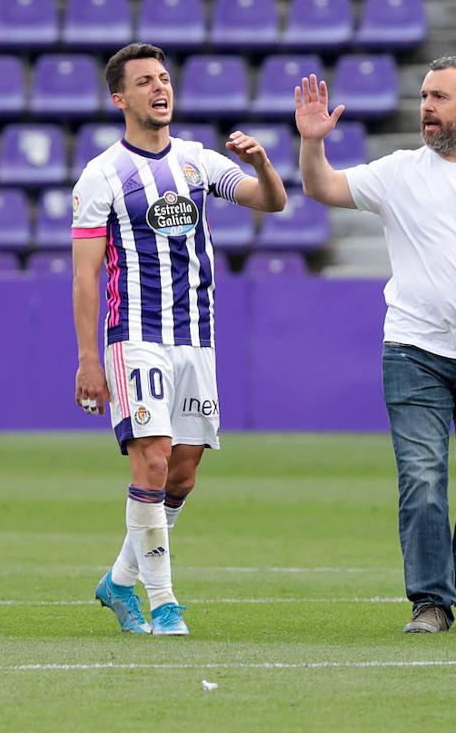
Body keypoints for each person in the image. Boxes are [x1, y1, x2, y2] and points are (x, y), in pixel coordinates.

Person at [296, 57, 456, 634]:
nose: (426, 108)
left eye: (439, 97)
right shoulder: (399, 171)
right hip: (414, 350)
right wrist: (313, 144)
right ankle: (431, 602)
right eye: (423, 97)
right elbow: (323, 187)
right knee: (422, 478)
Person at [74, 42, 287, 636]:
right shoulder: (102, 175)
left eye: (163, 79)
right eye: (144, 82)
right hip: (133, 335)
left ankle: (118, 582)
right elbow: (84, 273)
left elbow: (271, 201)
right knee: (154, 455)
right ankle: (163, 603)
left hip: (195, 338)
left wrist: (263, 163)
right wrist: (89, 359)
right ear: (120, 99)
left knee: (183, 471)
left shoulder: (196, 161)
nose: (159, 88)